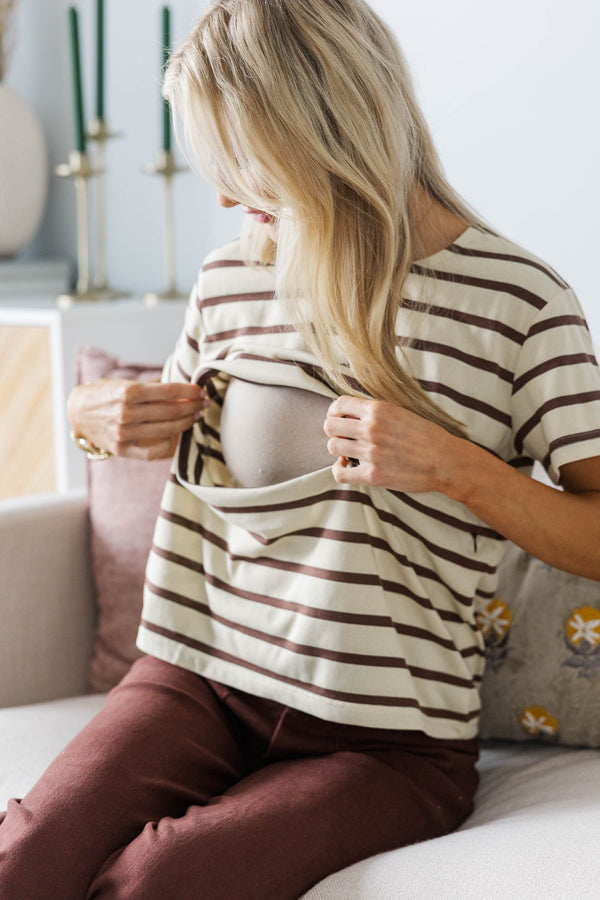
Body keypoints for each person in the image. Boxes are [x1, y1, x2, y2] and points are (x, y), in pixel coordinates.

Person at [2, 1, 600, 897]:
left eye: (240, 160)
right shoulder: (232, 275)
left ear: (324, 129)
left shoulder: (521, 303)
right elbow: (146, 431)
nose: (222, 196)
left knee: (158, 880)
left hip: (390, 742)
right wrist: (94, 413)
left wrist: (451, 466)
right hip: (197, 683)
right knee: (24, 862)